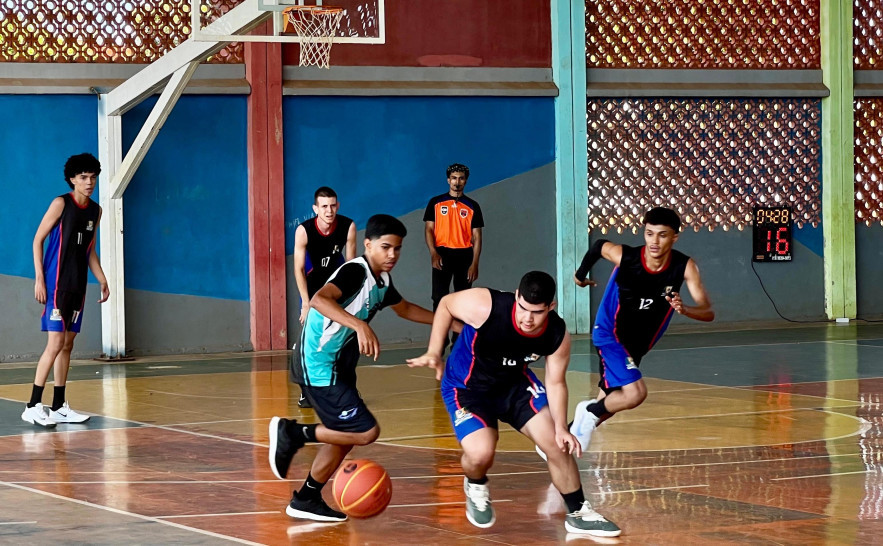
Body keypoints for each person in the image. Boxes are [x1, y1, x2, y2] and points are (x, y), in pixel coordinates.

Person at [407, 272, 621, 537]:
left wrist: (560, 427)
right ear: (516, 296)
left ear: (551, 307)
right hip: (467, 388)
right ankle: (476, 483)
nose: (527, 318)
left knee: (556, 444)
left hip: (514, 386)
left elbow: (555, 382)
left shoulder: (556, 333)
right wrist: (433, 350)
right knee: (481, 454)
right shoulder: (486, 305)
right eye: (523, 308)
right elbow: (446, 304)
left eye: (537, 312)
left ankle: (578, 512)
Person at [270, 214, 437, 522]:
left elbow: (405, 309)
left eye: (398, 248)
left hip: (338, 365)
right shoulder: (355, 272)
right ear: (368, 244)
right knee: (364, 430)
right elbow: (320, 300)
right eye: (386, 247)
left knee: (345, 436)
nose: (392, 255)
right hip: (317, 362)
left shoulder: (382, 282)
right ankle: (293, 433)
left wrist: (450, 321)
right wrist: (359, 325)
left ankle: (306, 498)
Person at [567, 207, 715, 453]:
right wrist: (580, 276)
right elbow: (599, 246)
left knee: (609, 403)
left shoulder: (684, 267)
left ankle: (562, 440)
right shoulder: (627, 257)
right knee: (634, 394)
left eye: (662, 235)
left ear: (674, 237)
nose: (654, 241)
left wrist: (685, 309)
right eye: (649, 233)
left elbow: (708, 312)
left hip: (637, 344)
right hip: (610, 334)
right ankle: (584, 415)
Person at [22, 153, 110, 428]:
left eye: (93, 177)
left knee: (68, 345)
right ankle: (32, 405)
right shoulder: (61, 203)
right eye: (83, 177)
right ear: (72, 179)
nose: (89, 182)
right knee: (55, 343)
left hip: (77, 285)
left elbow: (89, 250)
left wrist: (102, 279)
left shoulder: (96, 211)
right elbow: (37, 240)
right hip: (56, 284)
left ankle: (59, 406)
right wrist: (39, 279)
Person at [292, 186, 357, 408]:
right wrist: (305, 304)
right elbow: (299, 269)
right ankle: (306, 392)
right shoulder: (304, 230)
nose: (329, 211)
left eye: (332, 206)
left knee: (344, 340)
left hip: (335, 288)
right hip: (311, 289)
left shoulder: (348, 226)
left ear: (337, 206)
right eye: (324, 206)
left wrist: (350, 299)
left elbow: (351, 267)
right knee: (310, 343)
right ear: (315, 209)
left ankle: (347, 389)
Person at [423, 163, 483, 350]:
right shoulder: (435, 202)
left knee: (462, 301)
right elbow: (429, 229)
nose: (457, 182)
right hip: (442, 254)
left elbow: (477, 237)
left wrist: (474, 263)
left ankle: (458, 342)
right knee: (438, 298)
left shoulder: (473, 206)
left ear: (466, 181)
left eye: (461, 178)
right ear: (448, 180)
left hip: (464, 256)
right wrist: (433, 253)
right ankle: (439, 341)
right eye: (454, 178)